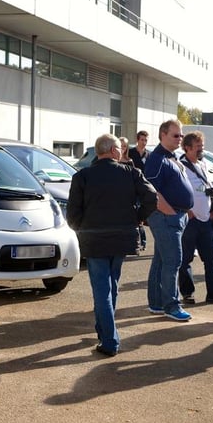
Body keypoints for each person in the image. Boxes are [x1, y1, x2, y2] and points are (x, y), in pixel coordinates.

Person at [67, 134, 158, 357]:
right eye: (120, 149)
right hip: (121, 238)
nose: (122, 153)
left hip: (94, 239)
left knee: (102, 289)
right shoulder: (131, 173)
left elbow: (72, 214)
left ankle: (108, 339)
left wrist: (83, 226)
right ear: (114, 151)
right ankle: (105, 332)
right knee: (110, 286)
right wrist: (137, 217)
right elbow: (152, 197)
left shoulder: (82, 176)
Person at [144, 119, 194, 321]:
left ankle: (156, 303)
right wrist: (171, 213)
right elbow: (152, 191)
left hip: (175, 216)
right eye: (176, 135)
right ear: (162, 135)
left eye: (181, 135)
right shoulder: (156, 159)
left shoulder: (172, 157)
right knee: (173, 261)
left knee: (161, 261)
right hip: (166, 217)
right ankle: (171, 306)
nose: (180, 138)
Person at [177, 131, 213, 305]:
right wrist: (188, 212)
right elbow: (177, 192)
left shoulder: (202, 164)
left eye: (202, 146)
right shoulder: (181, 167)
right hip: (191, 221)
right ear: (187, 148)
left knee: (212, 259)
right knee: (185, 259)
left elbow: (205, 187)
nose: (201, 150)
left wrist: (211, 212)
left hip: (206, 220)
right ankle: (187, 294)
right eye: (197, 147)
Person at [128, 131, 150, 251]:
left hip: (144, 188)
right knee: (135, 213)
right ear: (137, 140)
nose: (144, 142)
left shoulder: (148, 155)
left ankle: (143, 241)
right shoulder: (131, 153)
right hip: (133, 187)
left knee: (142, 214)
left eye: (146, 140)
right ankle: (140, 241)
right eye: (142, 140)